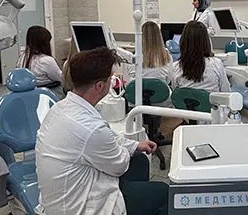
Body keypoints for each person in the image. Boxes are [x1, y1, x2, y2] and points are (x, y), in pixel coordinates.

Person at [35, 47, 169, 215]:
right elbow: (118, 165)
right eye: (110, 78)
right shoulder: (91, 128)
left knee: (139, 160)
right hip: (78, 207)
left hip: (71, 187)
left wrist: (135, 145)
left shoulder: (60, 108)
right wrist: (125, 150)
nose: (112, 81)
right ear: (100, 85)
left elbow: (108, 140)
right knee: (164, 192)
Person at [173, 21, 230, 93]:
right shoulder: (216, 64)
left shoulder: (176, 67)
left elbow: (175, 93)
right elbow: (226, 92)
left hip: (184, 100)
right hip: (211, 100)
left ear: (183, 42)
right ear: (206, 41)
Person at [124, 21, 174, 86]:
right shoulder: (167, 56)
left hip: (136, 92)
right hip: (160, 91)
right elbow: (169, 79)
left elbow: (127, 82)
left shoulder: (132, 58)